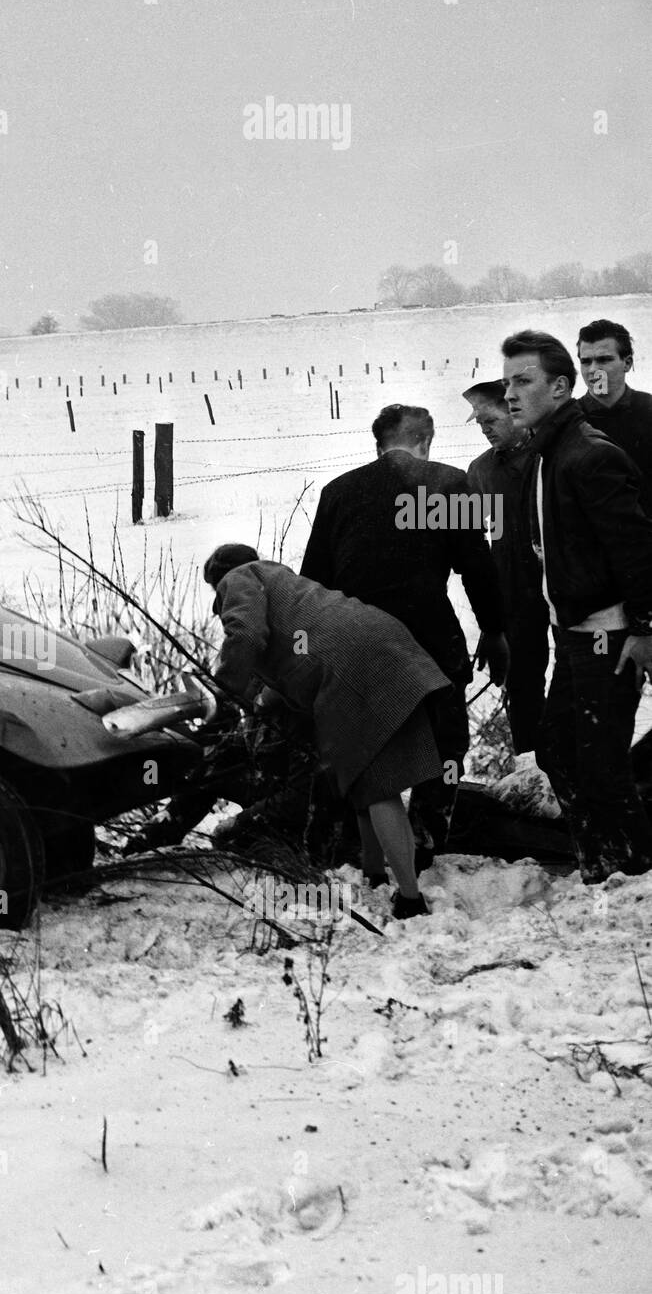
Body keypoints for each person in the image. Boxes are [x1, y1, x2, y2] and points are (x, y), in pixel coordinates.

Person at [300, 404, 508, 868]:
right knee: (446, 743)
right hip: (428, 640)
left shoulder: (338, 492)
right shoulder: (451, 485)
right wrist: (494, 632)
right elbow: (478, 571)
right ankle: (424, 840)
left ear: (377, 445)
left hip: (357, 641)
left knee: (345, 743)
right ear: (426, 441)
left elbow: (314, 580)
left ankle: (330, 846)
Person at [205, 544, 452, 918]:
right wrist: (263, 699)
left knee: (379, 786)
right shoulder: (285, 582)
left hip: (352, 668)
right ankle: (375, 875)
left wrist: (220, 687)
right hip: (385, 645)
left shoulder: (240, 577)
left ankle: (410, 899)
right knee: (367, 782)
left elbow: (247, 636)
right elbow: (292, 654)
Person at [502, 329, 652, 883]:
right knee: (559, 749)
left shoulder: (588, 455)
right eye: (508, 381)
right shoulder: (545, 453)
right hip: (573, 634)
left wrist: (644, 628)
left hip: (608, 635)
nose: (510, 393)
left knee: (601, 760)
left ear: (562, 387)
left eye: (524, 380)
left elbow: (637, 549)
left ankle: (632, 873)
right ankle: (599, 862)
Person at [464, 379, 550, 754]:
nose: (485, 429)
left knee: (578, 685)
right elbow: (471, 542)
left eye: (491, 420)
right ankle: (530, 772)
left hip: (564, 590)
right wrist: (491, 622)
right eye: (479, 423)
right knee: (522, 689)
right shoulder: (479, 471)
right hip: (513, 597)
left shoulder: (547, 455)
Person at [576, 319, 652, 511]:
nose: (593, 370)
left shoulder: (649, 408)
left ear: (627, 363)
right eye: (586, 362)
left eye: (604, 360)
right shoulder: (568, 419)